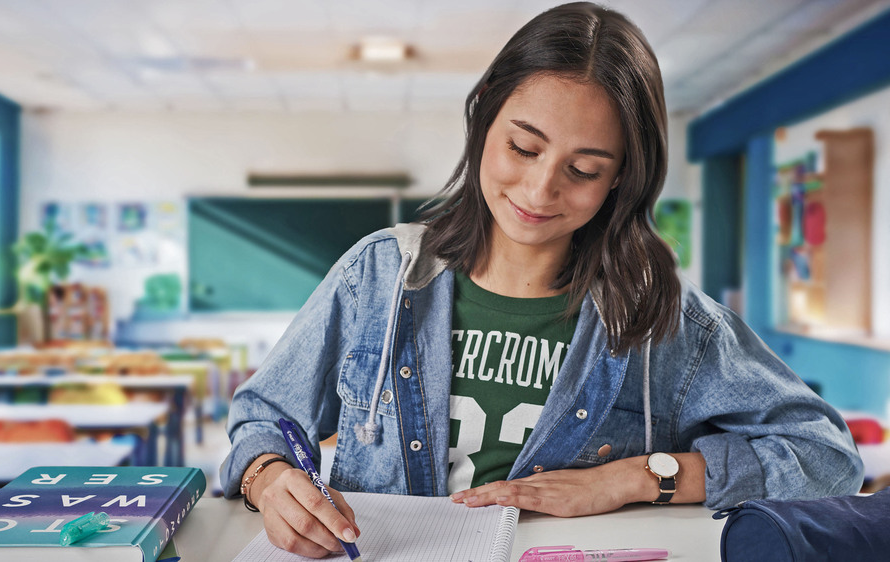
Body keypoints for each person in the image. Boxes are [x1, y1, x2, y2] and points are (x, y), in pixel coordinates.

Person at [221, 2, 864, 558]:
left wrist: (641, 477)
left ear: (621, 181)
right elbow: (263, 420)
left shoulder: (663, 323)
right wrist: (270, 478)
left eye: (583, 169)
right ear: (483, 125)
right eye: (523, 149)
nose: (539, 189)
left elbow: (828, 458)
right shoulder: (379, 276)